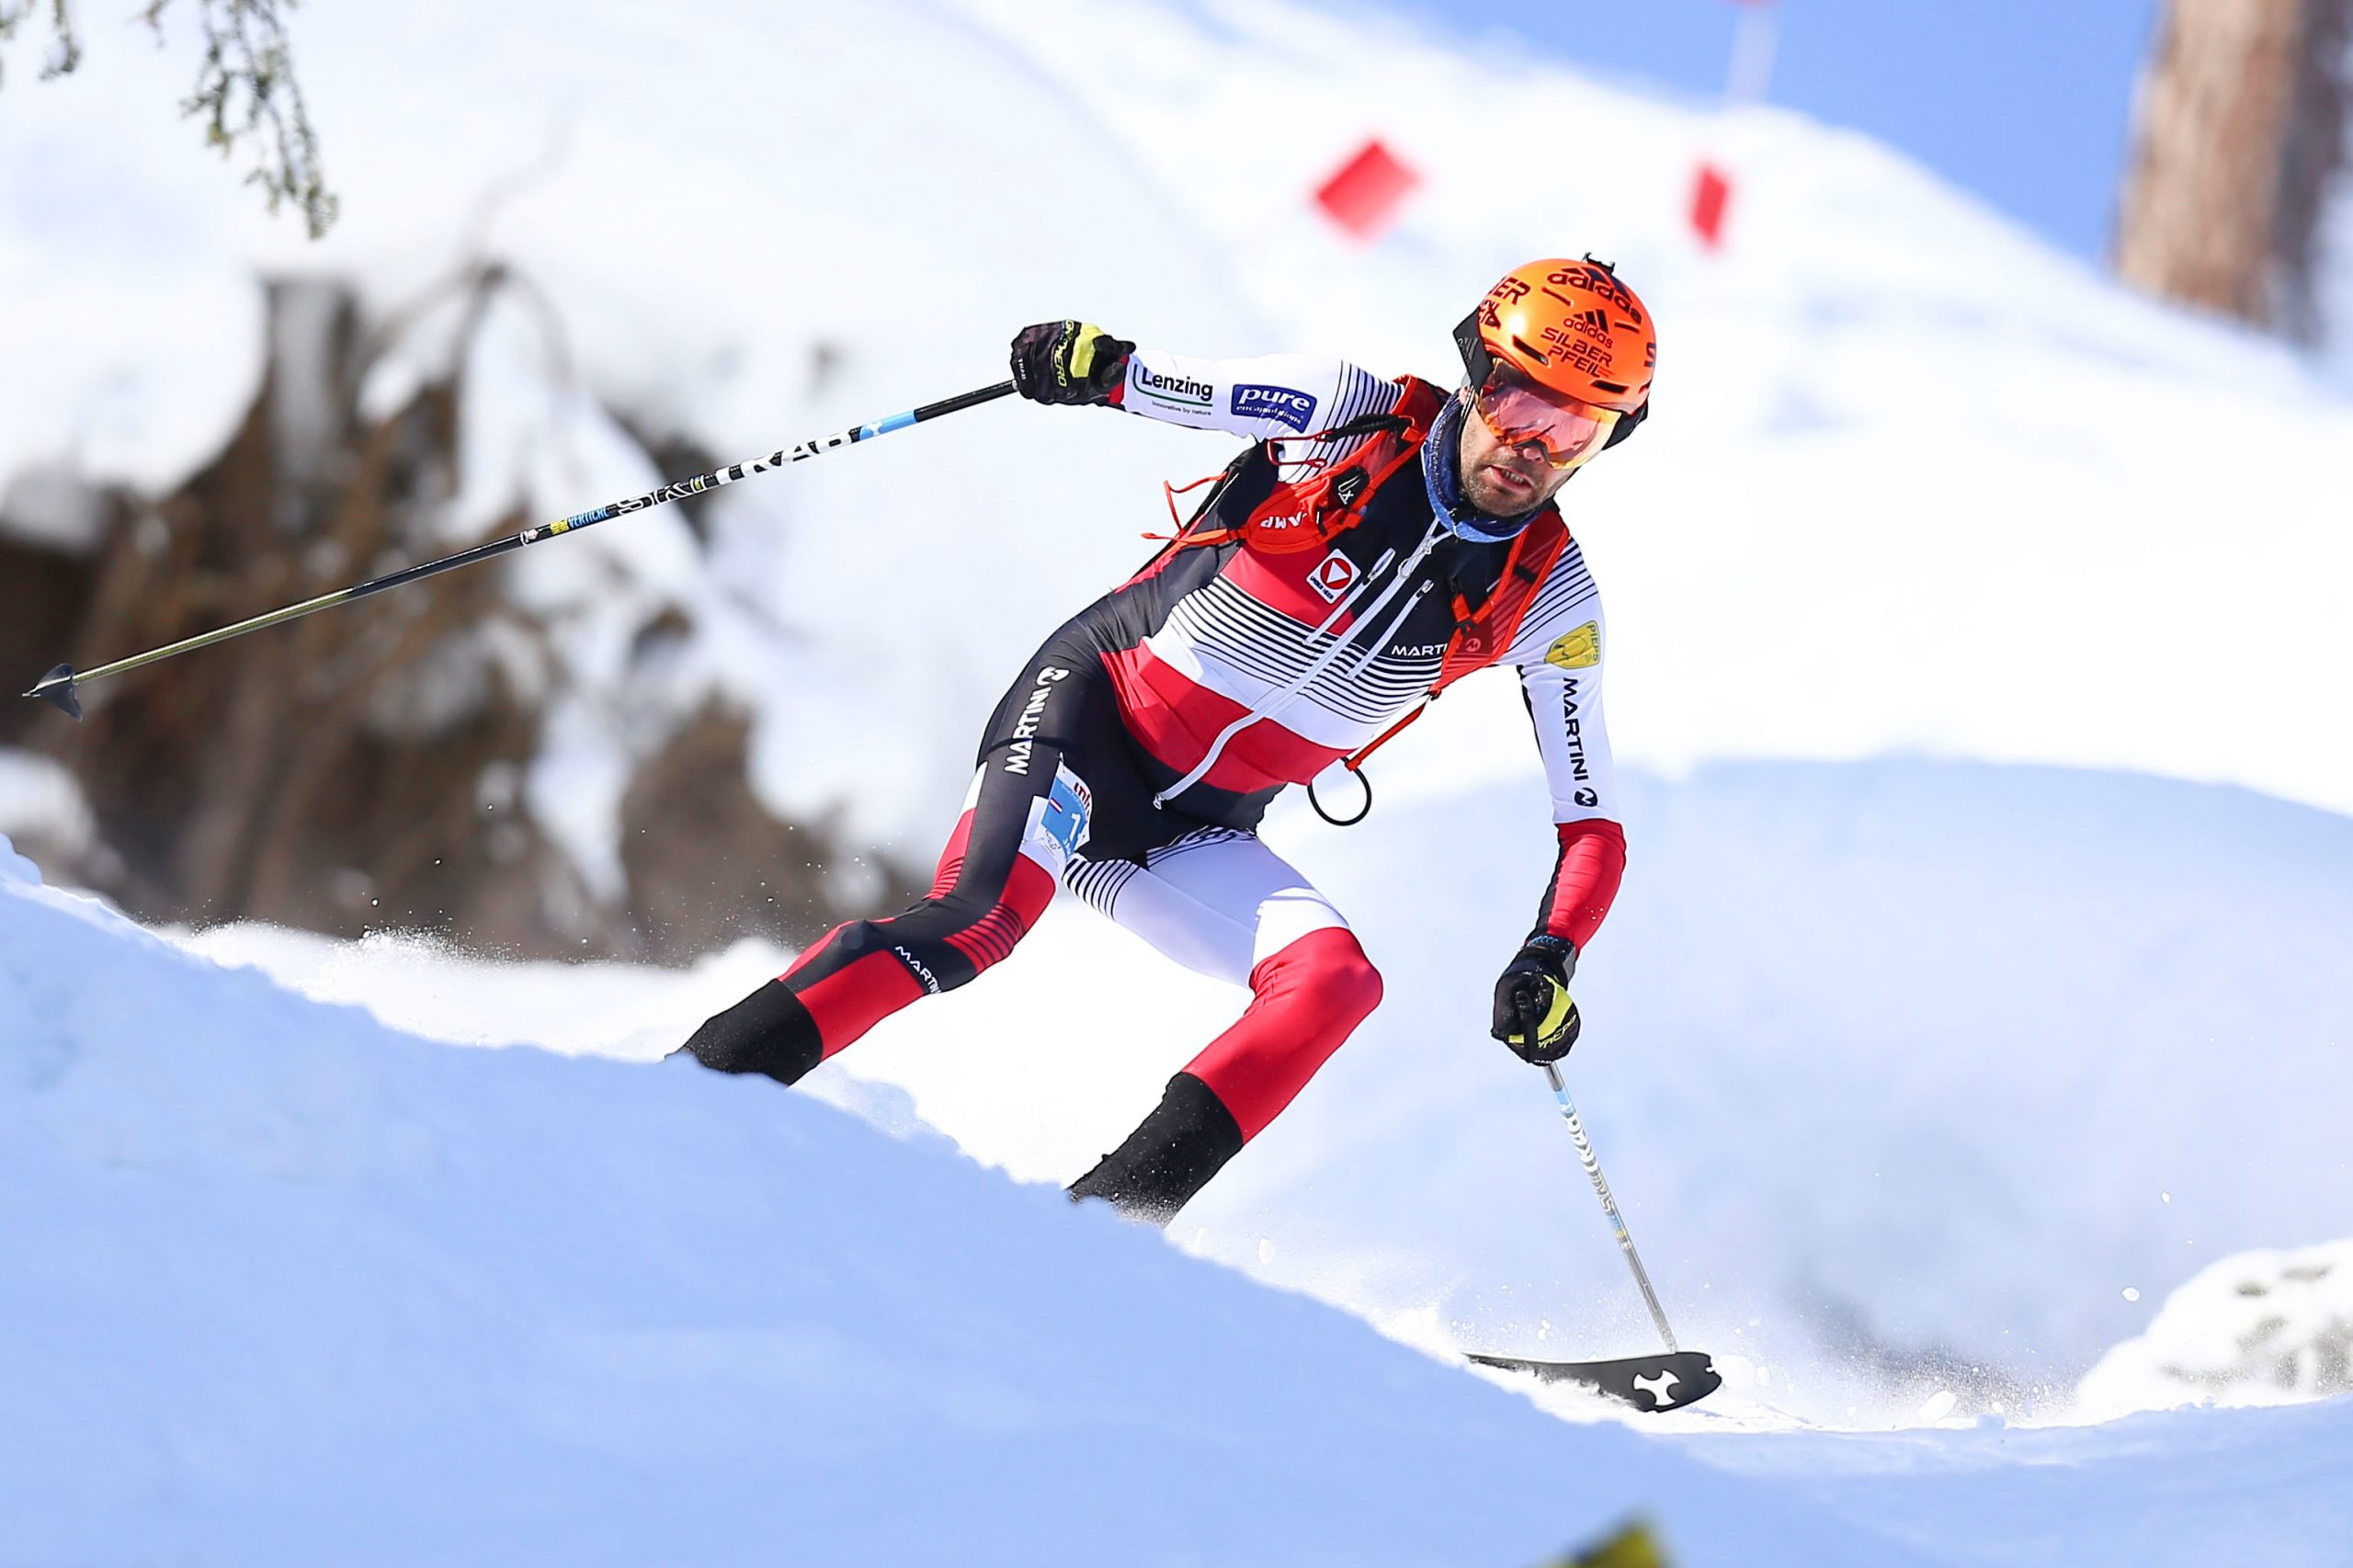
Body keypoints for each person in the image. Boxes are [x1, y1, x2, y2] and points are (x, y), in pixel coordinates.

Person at [679, 257, 1654, 1224]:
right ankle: (681, 1100)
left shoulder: (1550, 596)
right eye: (1521, 402)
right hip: (1089, 722)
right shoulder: (1345, 412)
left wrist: (1549, 955)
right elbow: (1156, 381)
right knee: (977, 923)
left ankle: (1100, 1232)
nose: (1534, 445)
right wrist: (1087, 365)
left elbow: (1591, 823)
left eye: (1576, 428)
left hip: (1197, 829)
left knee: (1335, 984)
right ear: (1475, 371)